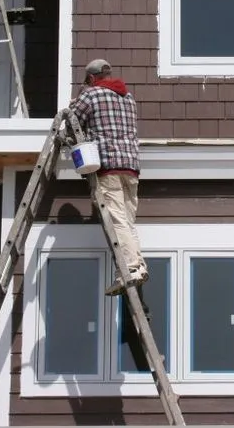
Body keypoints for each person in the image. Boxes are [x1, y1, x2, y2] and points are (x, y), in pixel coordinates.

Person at [70, 58, 147, 296]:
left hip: (108, 166)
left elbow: (71, 124)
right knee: (126, 220)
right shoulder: (128, 97)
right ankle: (139, 266)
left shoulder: (90, 95)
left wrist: (79, 96)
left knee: (116, 220)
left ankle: (131, 269)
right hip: (131, 167)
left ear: (92, 78)